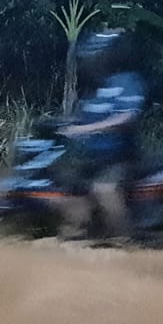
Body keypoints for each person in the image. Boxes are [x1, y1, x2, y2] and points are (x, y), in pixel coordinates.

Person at [57, 29, 148, 239]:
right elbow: (82, 119)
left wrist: (85, 129)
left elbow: (127, 117)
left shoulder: (128, 81)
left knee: (104, 189)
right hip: (93, 158)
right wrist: (61, 125)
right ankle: (83, 233)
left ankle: (125, 238)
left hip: (120, 157)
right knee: (67, 189)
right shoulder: (96, 88)